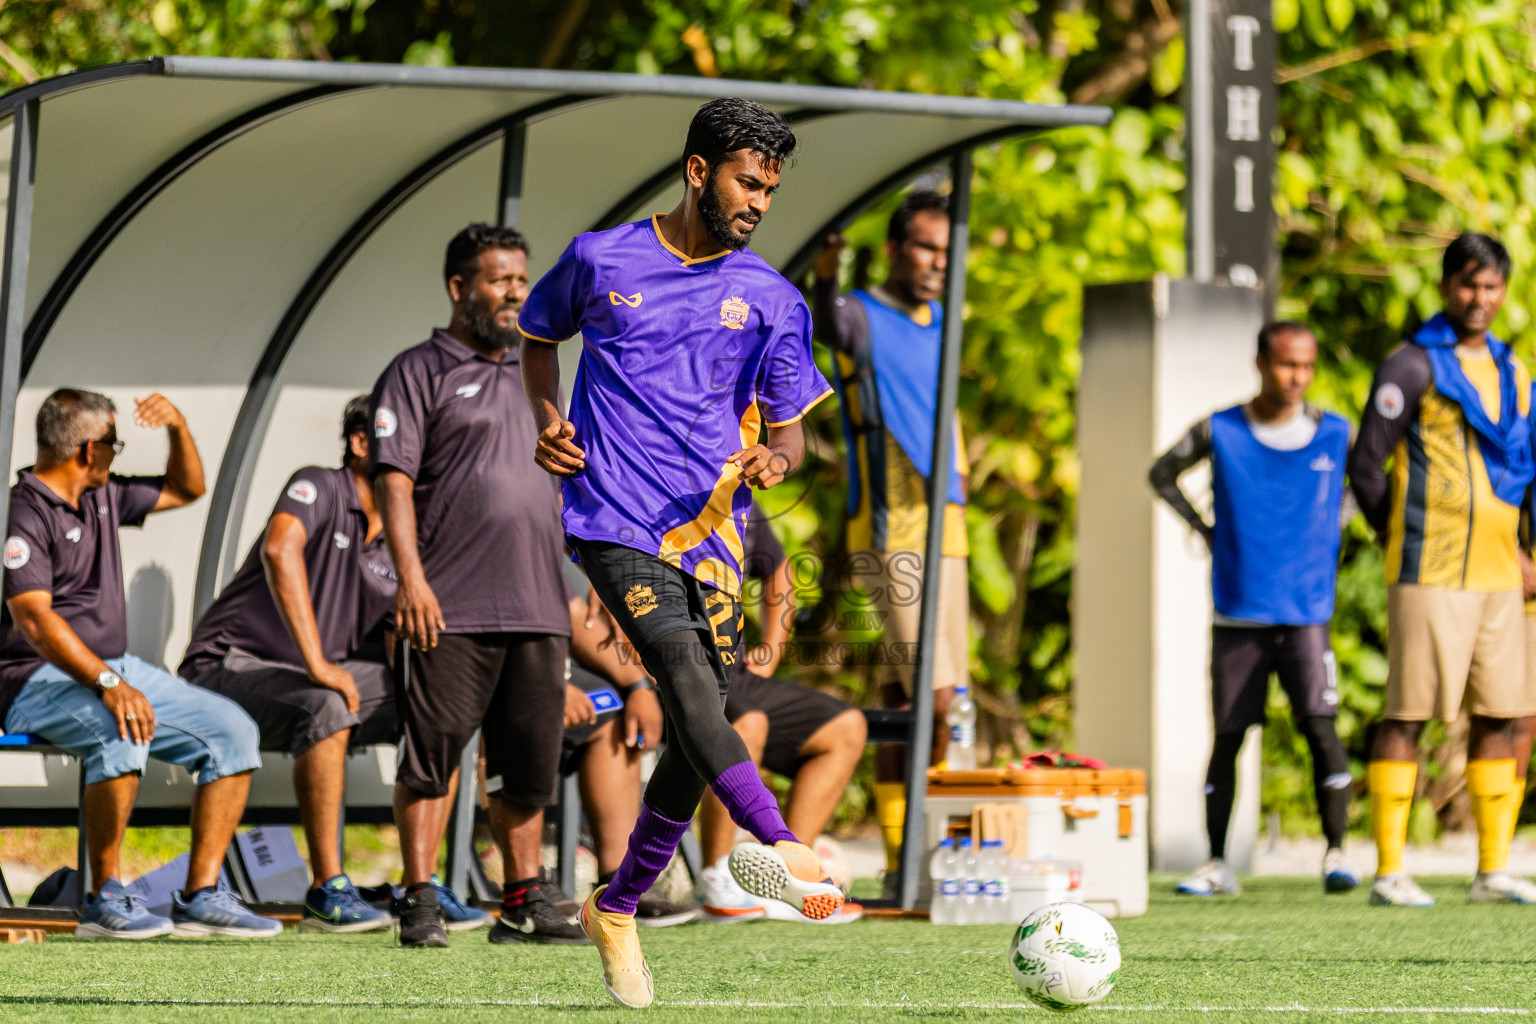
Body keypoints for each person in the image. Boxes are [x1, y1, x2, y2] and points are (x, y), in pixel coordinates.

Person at [518, 97, 842, 1008]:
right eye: (748, 181)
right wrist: (548, 420)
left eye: (772, 188)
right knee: (688, 687)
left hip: (714, 538)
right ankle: (777, 847)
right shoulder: (599, 257)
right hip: (609, 518)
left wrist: (774, 460)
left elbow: (791, 437)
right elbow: (538, 338)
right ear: (699, 171)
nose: (759, 203)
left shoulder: (775, 299)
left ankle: (617, 907)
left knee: (702, 733)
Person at [370, 224, 582, 947]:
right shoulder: (418, 369)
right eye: (499, 279)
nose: (515, 292)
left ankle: (522, 897)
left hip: (538, 604)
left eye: (521, 279)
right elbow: (393, 486)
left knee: (526, 766)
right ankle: (420, 896)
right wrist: (411, 583)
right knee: (432, 759)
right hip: (448, 605)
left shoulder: (541, 372)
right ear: (460, 289)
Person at [0, 389, 280, 939]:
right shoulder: (24, 509)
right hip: (32, 676)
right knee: (119, 728)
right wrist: (108, 683)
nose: (117, 454)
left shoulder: (105, 495)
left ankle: (201, 895)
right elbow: (32, 620)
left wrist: (177, 425)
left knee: (233, 733)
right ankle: (106, 896)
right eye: (113, 443)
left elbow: (187, 488)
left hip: (116, 665)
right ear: (86, 450)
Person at [1350, 232, 1536, 907]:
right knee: (1409, 714)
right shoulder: (1410, 366)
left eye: (1490, 287)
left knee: (1503, 716)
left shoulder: (1515, 370)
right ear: (1445, 286)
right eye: (1467, 285)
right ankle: (1390, 872)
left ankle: (1493, 871)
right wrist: (1394, 533)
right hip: (1429, 571)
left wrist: (1528, 551)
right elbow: (1367, 464)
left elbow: (1524, 470)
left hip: (1499, 578)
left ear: (1504, 290)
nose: (1478, 299)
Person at [1148, 323, 1357, 897]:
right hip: (1239, 610)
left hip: (1306, 612)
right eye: (1288, 364)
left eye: (1307, 366)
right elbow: (1160, 474)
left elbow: (1365, 481)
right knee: (1230, 735)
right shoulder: (1221, 430)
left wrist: (1334, 524)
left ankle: (1337, 854)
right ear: (1260, 362)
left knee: (1321, 729)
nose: (1298, 377)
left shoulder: (1336, 432)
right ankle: (1216, 863)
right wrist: (1205, 529)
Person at [180, 396, 401, 933]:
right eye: (400, 438)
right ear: (360, 444)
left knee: (439, 706)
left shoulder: (402, 527)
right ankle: (328, 890)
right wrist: (319, 662)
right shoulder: (320, 485)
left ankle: (421, 885)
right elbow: (281, 551)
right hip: (228, 666)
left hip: (313, 676)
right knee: (325, 703)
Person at [811, 191, 969, 879]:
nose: (939, 261)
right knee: (936, 695)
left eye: (947, 249)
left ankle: (907, 850)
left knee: (917, 695)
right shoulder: (857, 314)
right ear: (899, 247)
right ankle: (927, 849)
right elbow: (821, 317)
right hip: (890, 528)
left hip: (951, 523)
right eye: (928, 247)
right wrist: (824, 270)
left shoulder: (945, 315)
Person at [696, 502, 867, 923]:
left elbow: (779, 571)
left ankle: (791, 875)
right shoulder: (642, 482)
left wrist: (772, 647)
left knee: (844, 727)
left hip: (733, 670)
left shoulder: (735, 495)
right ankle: (716, 877)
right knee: (746, 723)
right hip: (671, 671)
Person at [556, 572, 699, 927]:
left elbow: (580, 617)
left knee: (614, 709)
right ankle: (522, 890)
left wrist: (637, 686)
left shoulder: (581, 547)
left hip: (568, 672)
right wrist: (552, 682)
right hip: (490, 672)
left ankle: (616, 883)